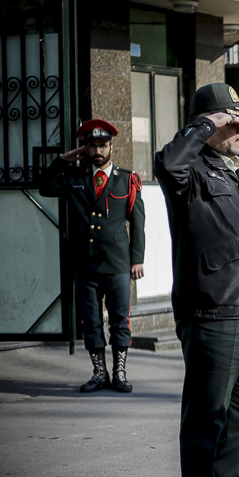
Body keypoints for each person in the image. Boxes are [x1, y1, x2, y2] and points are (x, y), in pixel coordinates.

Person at [154, 83, 239, 477]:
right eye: (234, 120)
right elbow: (167, 162)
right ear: (210, 123)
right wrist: (205, 127)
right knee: (208, 415)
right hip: (212, 310)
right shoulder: (191, 172)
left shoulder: (238, 172)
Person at [39, 120, 144, 393]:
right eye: (92, 145)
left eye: (102, 145)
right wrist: (64, 159)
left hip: (118, 263)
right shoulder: (73, 178)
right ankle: (99, 373)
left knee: (120, 318)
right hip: (84, 263)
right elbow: (45, 187)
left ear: (111, 146)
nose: (98, 150)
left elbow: (138, 222)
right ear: (85, 148)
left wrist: (137, 259)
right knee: (90, 319)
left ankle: (120, 372)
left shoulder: (126, 179)